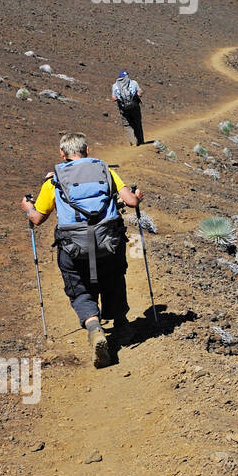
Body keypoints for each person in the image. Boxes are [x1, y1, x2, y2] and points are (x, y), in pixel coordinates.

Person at [20, 133, 145, 368]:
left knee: (79, 288)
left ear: (62, 154)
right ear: (88, 149)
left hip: (73, 247)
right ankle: (121, 325)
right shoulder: (106, 171)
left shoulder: (53, 180)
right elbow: (131, 202)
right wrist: (137, 196)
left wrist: (27, 207)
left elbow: (37, 219)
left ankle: (94, 327)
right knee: (114, 278)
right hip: (108, 242)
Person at [111, 70, 144, 145]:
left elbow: (113, 98)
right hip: (134, 106)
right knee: (137, 123)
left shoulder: (115, 85)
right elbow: (140, 93)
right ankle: (140, 141)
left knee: (127, 124)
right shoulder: (133, 83)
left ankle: (133, 141)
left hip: (123, 108)